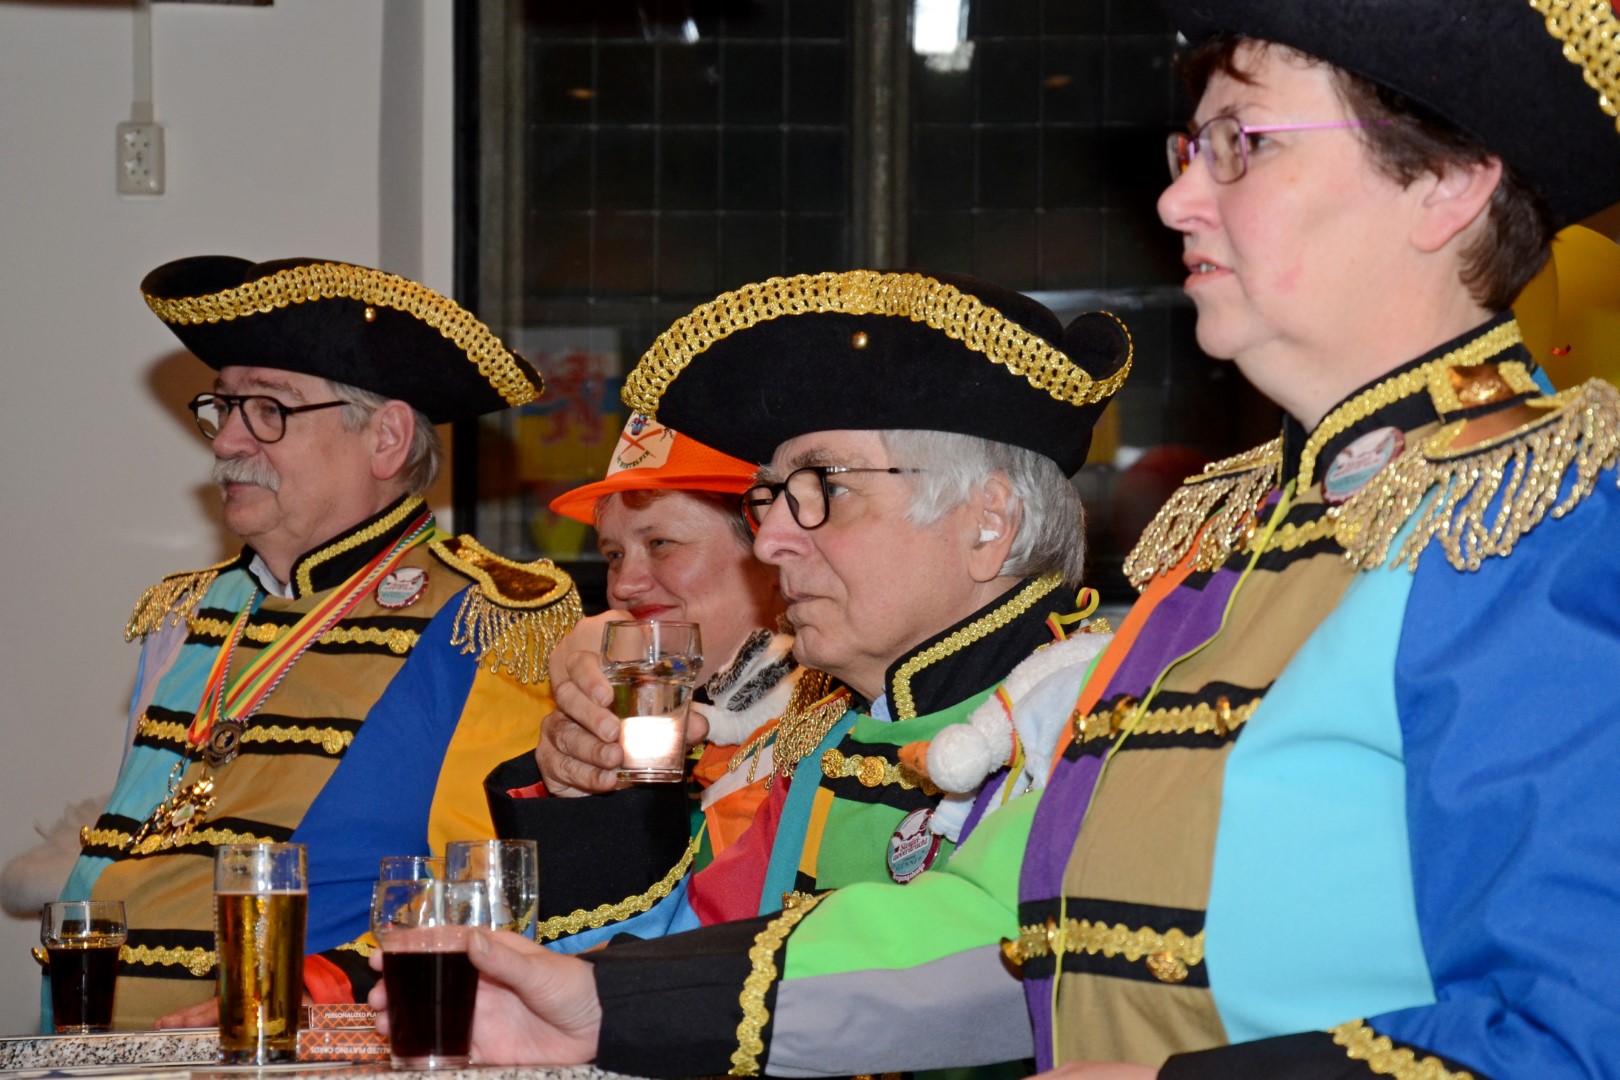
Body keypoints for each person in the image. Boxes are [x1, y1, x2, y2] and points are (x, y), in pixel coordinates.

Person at [397, 2, 1620, 1077]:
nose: (1177, 198)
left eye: (1242, 143)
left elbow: (1580, 1031)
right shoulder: (1229, 537)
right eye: (1191, 148)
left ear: (1447, 184)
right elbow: (1034, 947)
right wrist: (604, 1006)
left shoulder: (1547, 525)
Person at [370, 266, 1131, 1043]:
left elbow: (970, 961)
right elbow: (684, 943)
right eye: (770, 500)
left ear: (989, 522)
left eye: (823, 489)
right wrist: (591, 793)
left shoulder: (1098, 727)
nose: (769, 543)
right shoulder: (829, 738)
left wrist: (614, 1003)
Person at [58, 256, 580, 1029]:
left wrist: (313, 994)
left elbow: (489, 899)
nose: (226, 441)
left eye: (268, 409)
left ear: (386, 438)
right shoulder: (186, 614)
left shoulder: (485, 620)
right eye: (224, 406)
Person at [484, 414, 835, 936]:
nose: (624, 585)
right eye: (613, 554)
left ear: (768, 555)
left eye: (661, 544)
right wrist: (579, 782)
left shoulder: (827, 727)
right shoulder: (633, 717)